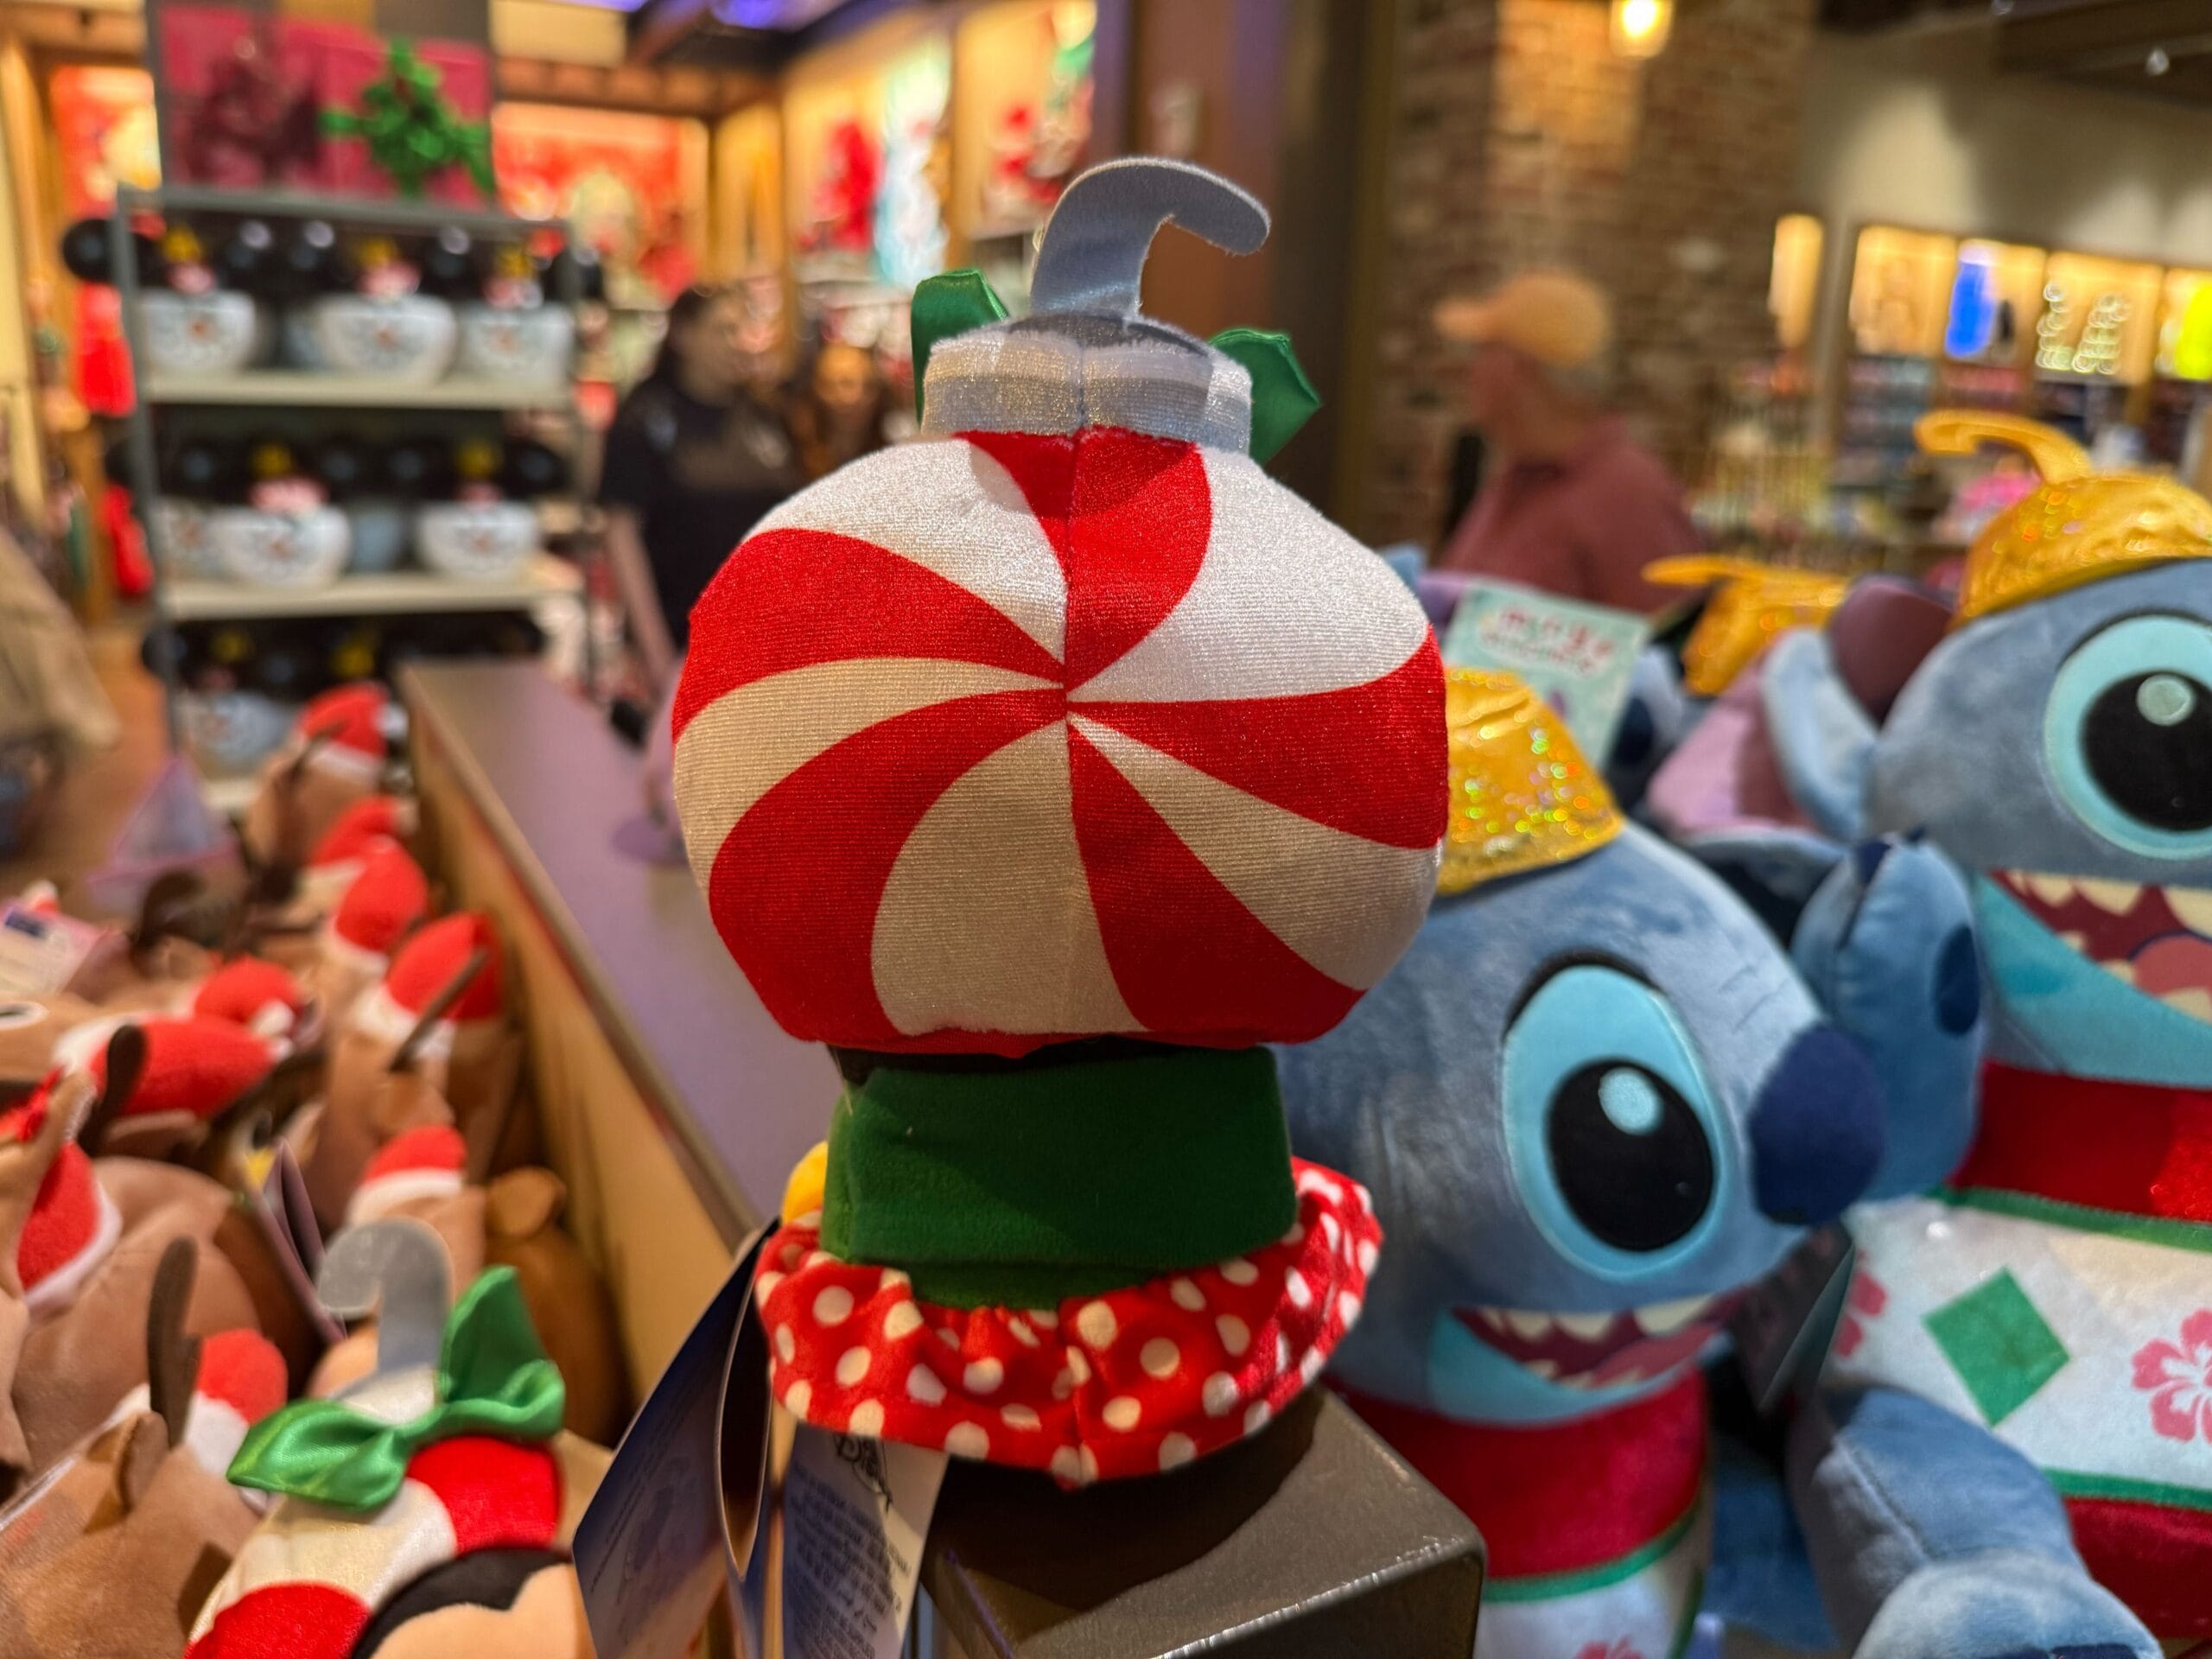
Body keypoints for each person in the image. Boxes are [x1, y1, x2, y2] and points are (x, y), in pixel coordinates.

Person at [1433, 269, 1699, 613]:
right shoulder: (1520, 474)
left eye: (1482, 350)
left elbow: (1669, 650)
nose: (1467, 369)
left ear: (1518, 370)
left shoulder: (1628, 494)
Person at [599, 286, 803, 694]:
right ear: (683, 336)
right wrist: (657, 657)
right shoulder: (646, 418)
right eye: (723, 330)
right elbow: (621, 534)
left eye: (744, 329)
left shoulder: (764, 416)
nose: (738, 342)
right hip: (682, 646)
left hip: (767, 651)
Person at [787, 340, 891, 481]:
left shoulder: (891, 457)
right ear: (818, 388)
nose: (856, 397)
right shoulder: (788, 453)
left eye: (868, 385)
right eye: (844, 384)